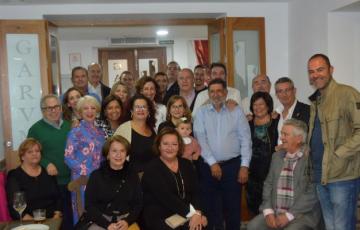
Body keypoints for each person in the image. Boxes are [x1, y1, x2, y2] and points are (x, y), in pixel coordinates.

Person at [307, 53, 360, 230]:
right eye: (312, 71)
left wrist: (338, 154)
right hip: (320, 176)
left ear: (331, 70)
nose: (316, 75)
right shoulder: (316, 101)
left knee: (342, 227)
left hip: (342, 176)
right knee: (331, 227)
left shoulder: (348, 94)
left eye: (320, 69)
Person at [194, 79, 252, 230]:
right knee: (210, 209)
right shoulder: (201, 113)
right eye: (212, 91)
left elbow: (246, 139)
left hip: (233, 166)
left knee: (233, 209)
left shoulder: (236, 111)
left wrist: (244, 166)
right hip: (207, 167)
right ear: (208, 94)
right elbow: (201, 139)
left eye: (219, 91)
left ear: (226, 93)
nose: (216, 94)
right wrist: (213, 163)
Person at [247, 119, 322, 230]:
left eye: (285, 134)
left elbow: (312, 192)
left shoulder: (309, 159)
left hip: (300, 215)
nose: (281, 137)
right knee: (253, 226)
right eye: (281, 133)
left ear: (299, 139)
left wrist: (288, 215)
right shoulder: (277, 156)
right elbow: (268, 184)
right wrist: (268, 211)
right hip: (275, 212)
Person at [142, 128, 207, 230]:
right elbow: (167, 198)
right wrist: (192, 215)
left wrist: (198, 212)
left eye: (174, 144)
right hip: (160, 216)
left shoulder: (187, 164)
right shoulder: (152, 169)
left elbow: (196, 192)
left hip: (186, 212)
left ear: (179, 146)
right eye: (166, 144)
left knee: (200, 225)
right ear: (159, 146)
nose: (170, 148)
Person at [27, 94, 73, 229]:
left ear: (61, 108)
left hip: (71, 181)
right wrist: (46, 163)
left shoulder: (69, 126)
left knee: (71, 218)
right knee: (55, 221)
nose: (53, 110)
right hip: (50, 183)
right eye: (49, 108)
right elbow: (30, 154)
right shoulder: (35, 129)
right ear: (43, 111)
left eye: (56, 107)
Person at [84, 135, 142, 230]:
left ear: (126, 154)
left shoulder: (132, 175)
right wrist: (107, 225)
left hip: (125, 220)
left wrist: (127, 221)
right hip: (101, 220)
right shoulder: (96, 176)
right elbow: (89, 206)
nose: (118, 155)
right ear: (107, 154)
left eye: (122, 151)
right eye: (114, 151)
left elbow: (138, 204)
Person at [65, 95, 106, 223]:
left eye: (93, 108)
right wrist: (87, 172)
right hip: (82, 180)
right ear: (80, 112)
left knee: (99, 214)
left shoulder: (100, 133)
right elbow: (68, 157)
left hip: (99, 179)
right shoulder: (75, 132)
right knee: (82, 215)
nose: (90, 111)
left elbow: (103, 156)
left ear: (97, 111)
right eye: (85, 109)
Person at [6, 138, 62, 220]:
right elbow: (15, 207)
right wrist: (35, 224)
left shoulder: (48, 171)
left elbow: (58, 198)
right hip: (29, 222)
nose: (34, 154)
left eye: (37, 151)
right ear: (22, 157)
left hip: (52, 220)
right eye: (30, 152)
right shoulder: (15, 176)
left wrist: (56, 217)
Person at [247, 92, 279, 215]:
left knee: (271, 207)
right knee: (254, 207)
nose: (258, 107)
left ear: (268, 106)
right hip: (252, 175)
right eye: (255, 104)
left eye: (261, 104)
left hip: (271, 172)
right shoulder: (247, 123)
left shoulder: (276, 122)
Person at [114, 94, 156, 173]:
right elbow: (114, 156)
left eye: (144, 107)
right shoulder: (123, 129)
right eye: (137, 107)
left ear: (148, 111)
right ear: (131, 111)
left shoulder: (152, 130)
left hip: (151, 177)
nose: (141, 110)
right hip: (131, 179)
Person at [275, 77, 310, 145]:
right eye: (280, 91)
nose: (284, 95)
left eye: (287, 90)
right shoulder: (276, 115)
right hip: (278, 155)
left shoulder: (307, 111)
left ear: (294, 91)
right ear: (277, 95)